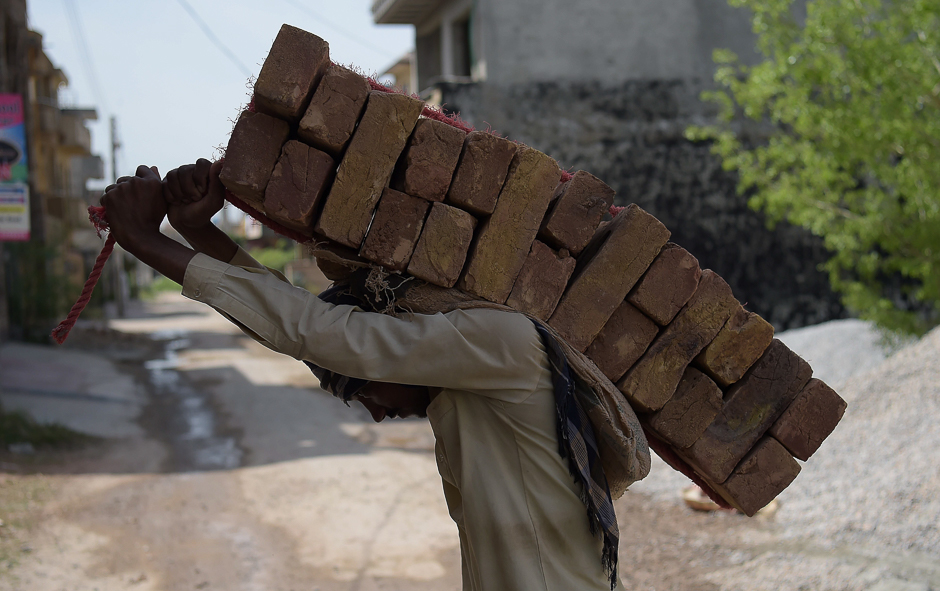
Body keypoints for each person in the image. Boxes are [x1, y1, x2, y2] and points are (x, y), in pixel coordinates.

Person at [101, 160, 650, 591]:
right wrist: (201, 232)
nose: (377, 410)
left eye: (364, 386)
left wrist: (147, 242)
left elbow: (318, 331)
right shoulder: (467, 368)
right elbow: (316, 327)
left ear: (395, 331)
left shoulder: (498, 343)